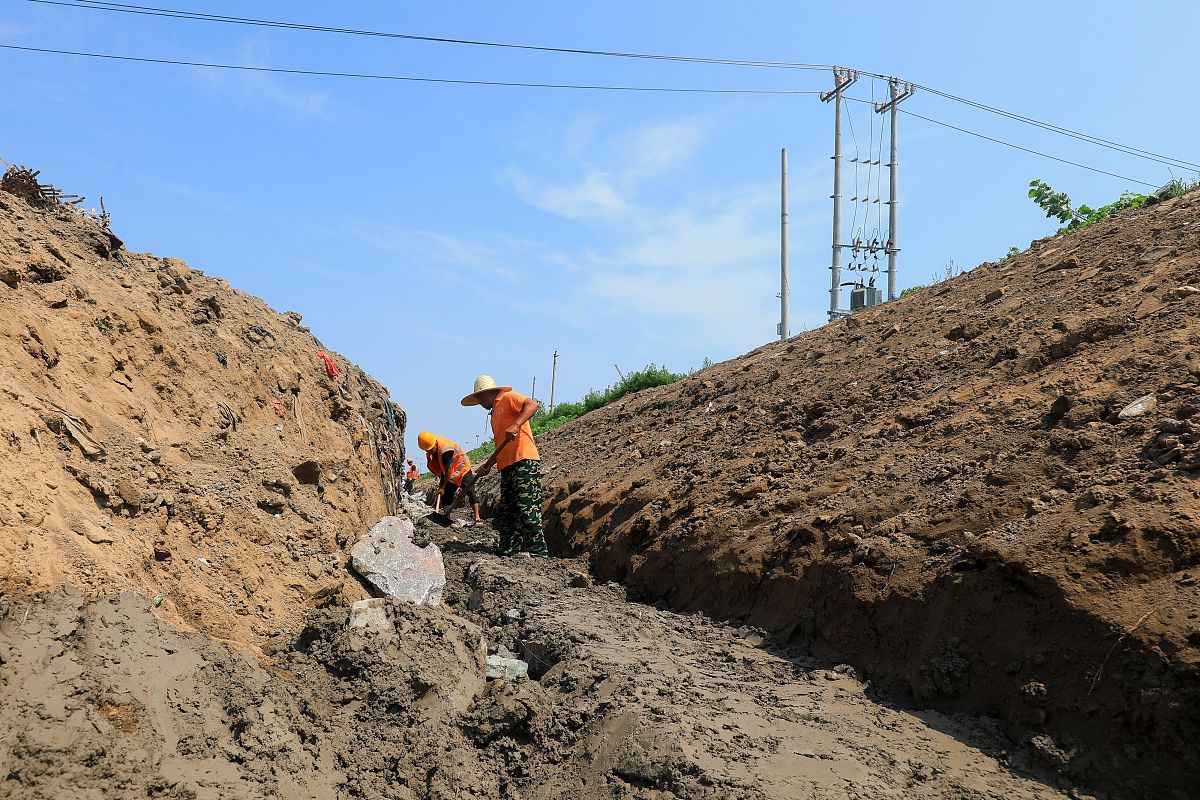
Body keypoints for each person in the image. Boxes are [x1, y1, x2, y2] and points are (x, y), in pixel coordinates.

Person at [462, 375, 548, 557]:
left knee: (527, 507)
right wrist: (487, 465)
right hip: (506, 465)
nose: (479, 403)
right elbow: (501, 445)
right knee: (508, 511)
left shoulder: (508, 397)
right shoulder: (494, 414)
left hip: (523, 460)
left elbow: (532, 405)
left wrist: (516, 424)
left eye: (479, 399)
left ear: (485, 394)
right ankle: (508, 549)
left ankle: (539, 552)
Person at [417, 430, 481, 523]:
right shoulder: (433, 448)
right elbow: (442, 469)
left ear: (434, 443)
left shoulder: (445, 450)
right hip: (450, 473)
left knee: (470, 491)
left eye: (430, 449)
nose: (429, 451)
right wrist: (441, 485)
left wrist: (443, 486)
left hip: (462, 468)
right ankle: (447, 517)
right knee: (445, 495)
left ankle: (477, 517)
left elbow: (449, 469)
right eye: (427, 450)